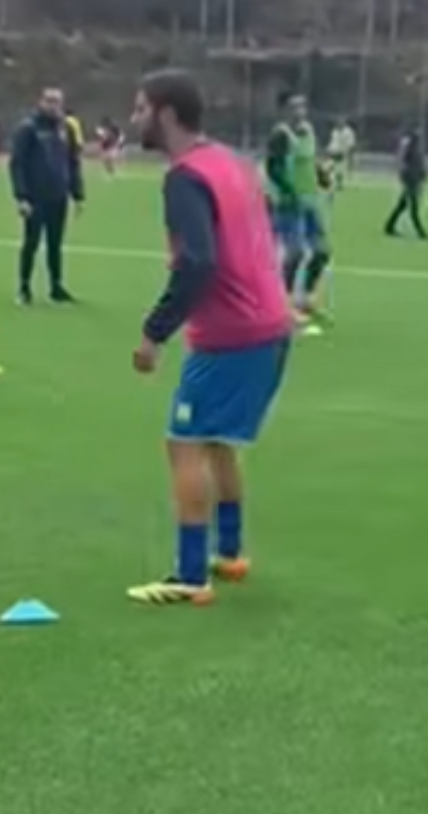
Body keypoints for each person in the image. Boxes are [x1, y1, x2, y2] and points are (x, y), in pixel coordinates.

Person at [127, 69, 294, 607]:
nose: (134, 119)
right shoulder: (231, 162)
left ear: (166, 115)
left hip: (233, 334)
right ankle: (231, 552)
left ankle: (190, 574)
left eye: (140, 108)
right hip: (271, 325)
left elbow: (198, 260)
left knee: (185, 442)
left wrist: (154, 332)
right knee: (219, 440)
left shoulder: (185, 177)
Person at [10, 87, 84, 306]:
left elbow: (72, 162)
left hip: (58, 195)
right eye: (49, 101)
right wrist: (21, 196)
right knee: (31, 242)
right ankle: (24, 287)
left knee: (55, 244)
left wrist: (77, 193)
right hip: (35, 196)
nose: (53, 106)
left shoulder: (66, 129)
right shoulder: (28, 128)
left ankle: (56, 286)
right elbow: (17, 164)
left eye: (57, 102)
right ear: (40, 102)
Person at [265, 91, 332, 328]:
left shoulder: (308, 130)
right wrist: (288, 191)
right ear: (284, 111)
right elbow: (273, 168)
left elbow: (311, 159)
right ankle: (282, 306)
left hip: (311, 200)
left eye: (302, 106)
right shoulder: (280, 135)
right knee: (295, 253)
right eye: (294, 107)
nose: (300, 112)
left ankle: (306, 299)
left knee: (322, 251)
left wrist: (321, 175)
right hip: (289, 204)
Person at [384, 127, 428, 239]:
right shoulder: (412, 151)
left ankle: (389, 226)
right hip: (411, 183)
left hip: (412, 182)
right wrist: (419, 178)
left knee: (402, 205)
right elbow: (412, 167)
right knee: (413, 208)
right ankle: (421, 232)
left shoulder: (412, 151)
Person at [326, 118, 358, 191]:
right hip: (333, 152)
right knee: (331, 169)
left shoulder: (348, 132)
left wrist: (349, 154)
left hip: (342, 153)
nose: (339, 124)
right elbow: (332, 142)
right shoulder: (335, 131)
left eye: (341, 123)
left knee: (340, 170)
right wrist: (328, 150)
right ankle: (330, 183)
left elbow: (351, 144)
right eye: (338, 123)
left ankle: (339, 185)